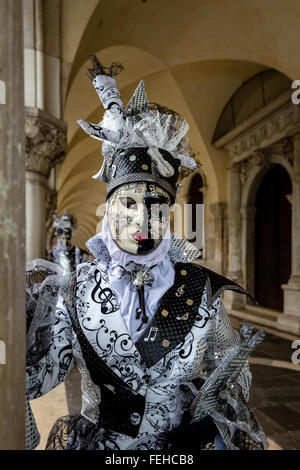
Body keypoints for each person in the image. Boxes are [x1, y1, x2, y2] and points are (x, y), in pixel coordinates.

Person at [25, 56, 268, 451]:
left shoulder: (200, 287)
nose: (142, 220)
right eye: (129, 204)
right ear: (109, 208)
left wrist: (212, 421)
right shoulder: (74, 289)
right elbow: (39, 376)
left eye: (156, 206)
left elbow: (233, 373)